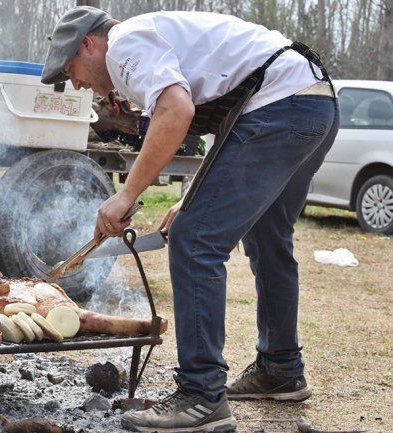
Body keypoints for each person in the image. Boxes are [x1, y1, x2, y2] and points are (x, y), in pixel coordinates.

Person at [41, 6, 338, 433]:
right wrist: (195, 192)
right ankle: (281, 368)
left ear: (89, 44)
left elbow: (175, 111)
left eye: (71, 70)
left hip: (281, 107)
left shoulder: (125, 43)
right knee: (268, 239)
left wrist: (126, 195)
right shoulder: (158, 37)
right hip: (312, 105)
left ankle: (201, 396)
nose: (77, 83)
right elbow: (235, 111)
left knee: (194, 240)